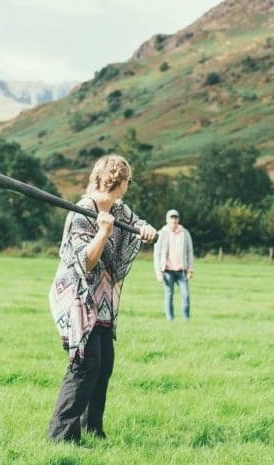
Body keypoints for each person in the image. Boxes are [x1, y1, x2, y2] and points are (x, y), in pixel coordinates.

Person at [47, 154, 157, 444]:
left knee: (104, 362)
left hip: (103, 300)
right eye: (127, 182)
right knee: (85, 363)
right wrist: (104, 232)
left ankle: (92, 429)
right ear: (121, 183)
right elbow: (86, 262)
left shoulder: (120, 210)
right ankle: (62, 437)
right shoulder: (81, 212)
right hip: (77, 297)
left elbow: (138, 226)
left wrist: (146, 231)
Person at [153, 209, 195, 320]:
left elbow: (189, 251)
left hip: (182, 271)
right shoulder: (161, 233)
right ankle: (170, 320)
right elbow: (156, 254)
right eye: (171, 218)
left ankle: (186, 319)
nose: (173, 220)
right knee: (169, 296)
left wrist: (190, 269)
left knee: (185, 296)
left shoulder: (185, 233)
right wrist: (158, 273)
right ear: (167, 219)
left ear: (178, 219)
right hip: (167, 271)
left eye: (175, 217)